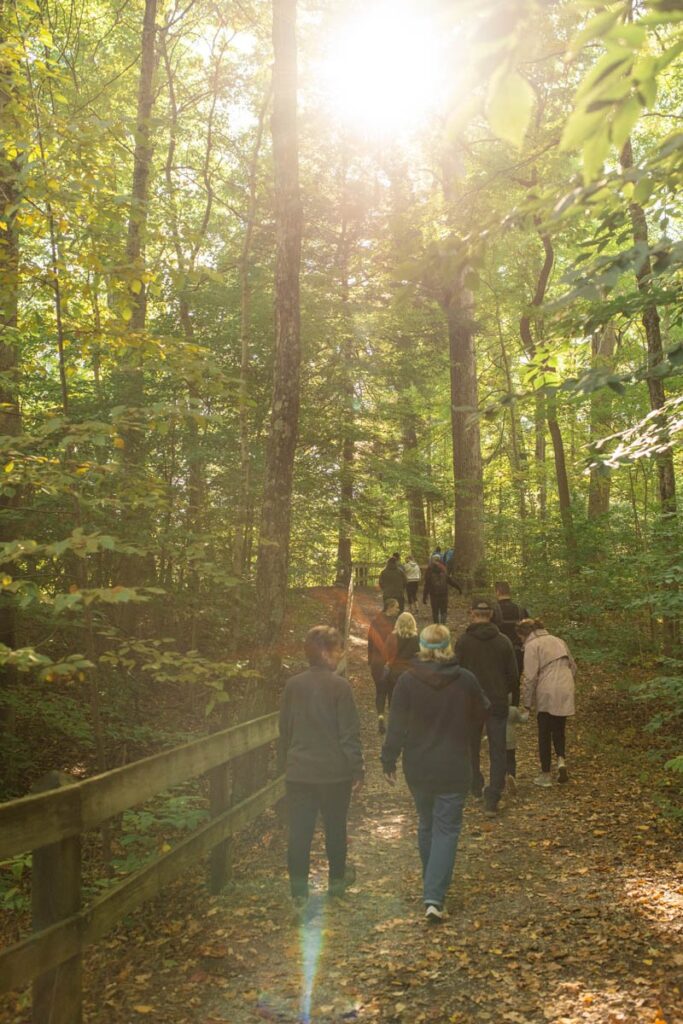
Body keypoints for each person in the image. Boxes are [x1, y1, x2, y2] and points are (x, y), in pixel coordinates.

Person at [381, 624, 489, 923]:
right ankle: (434, 895)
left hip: (419, 766)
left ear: (422, 646)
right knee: (446, 829)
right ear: (449, 646)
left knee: (428, 824)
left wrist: (388, 760)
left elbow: (396, 725)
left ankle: (433, 886)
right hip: (454, 765)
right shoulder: (465, 680)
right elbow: (483, 712)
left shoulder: (407, 681)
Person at [278, 626, 364, 909]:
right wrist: (357, 769)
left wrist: (290, 761)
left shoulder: (293, 685)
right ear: (326, 652)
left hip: (300, 772)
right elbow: (349, 733)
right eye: (338, 649)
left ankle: (299, 894)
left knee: (299, 833)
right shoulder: (340, 687)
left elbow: (285, 729)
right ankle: (336, 887)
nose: (341, 655)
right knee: (335, 829)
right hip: (334, 773)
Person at [454, 598, 519, 817]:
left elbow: (455, 672)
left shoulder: (463, 642)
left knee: (471, 746)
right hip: (497, 701)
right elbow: (514, 676)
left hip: (471, 702)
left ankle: (475, 786)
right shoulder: (504, 642)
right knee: (497, 749)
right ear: (491, 615)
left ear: (472, 614)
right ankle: (493, 797)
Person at [517, 618, 576, 788]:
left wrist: (527, 705)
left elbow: (530, 678)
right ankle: (561, 761)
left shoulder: (532, 645)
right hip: (566, 685)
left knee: (544, 732)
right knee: (559, 728)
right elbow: (574, 667)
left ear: (524, 634)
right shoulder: (559, 641)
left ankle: (545, 774)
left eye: (520, 637)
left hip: (546, 688)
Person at [492, 581, 530, 697]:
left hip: (497, 652)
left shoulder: (492, 610)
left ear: (497, 592)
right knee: (515, 683)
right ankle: (514, 710)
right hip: (517, 652)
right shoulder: (521, 610)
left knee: (497, 682)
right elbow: (530, 632)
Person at [368, 598, 400, 734]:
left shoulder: (375, 622)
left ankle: (380, 716)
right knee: (392, 691)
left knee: (380, 692)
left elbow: (370, 642)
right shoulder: (395, 624)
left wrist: (370, 660)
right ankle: (392, 722)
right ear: (390, 607)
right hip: (391, 662)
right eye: (396, 607)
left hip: (376, 663)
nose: (398, 610)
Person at [385, 612, 420, 701]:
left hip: (394, 673)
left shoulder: (392, 637)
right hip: (412, 673)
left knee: (394, 699)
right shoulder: (417, 639)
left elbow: (386, 654)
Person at [423, 554, 461, 624]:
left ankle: (436, 627)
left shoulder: (429, 570)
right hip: (444, 594)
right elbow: (450, 581)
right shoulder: (443, 569)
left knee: (435, 612)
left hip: (434, 595)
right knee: (443, 611)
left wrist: (424, 597)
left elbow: (427, 585)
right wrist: (458, 588)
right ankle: (443, 626)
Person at [505, 699, 529, 796]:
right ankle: (512, 776)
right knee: (511, 759)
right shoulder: (513, 710)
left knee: (500, 758)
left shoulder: (495, 709)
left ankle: (501, 779)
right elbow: (522, 720)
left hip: (498, 738)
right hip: (511, 738)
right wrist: (527, 713)